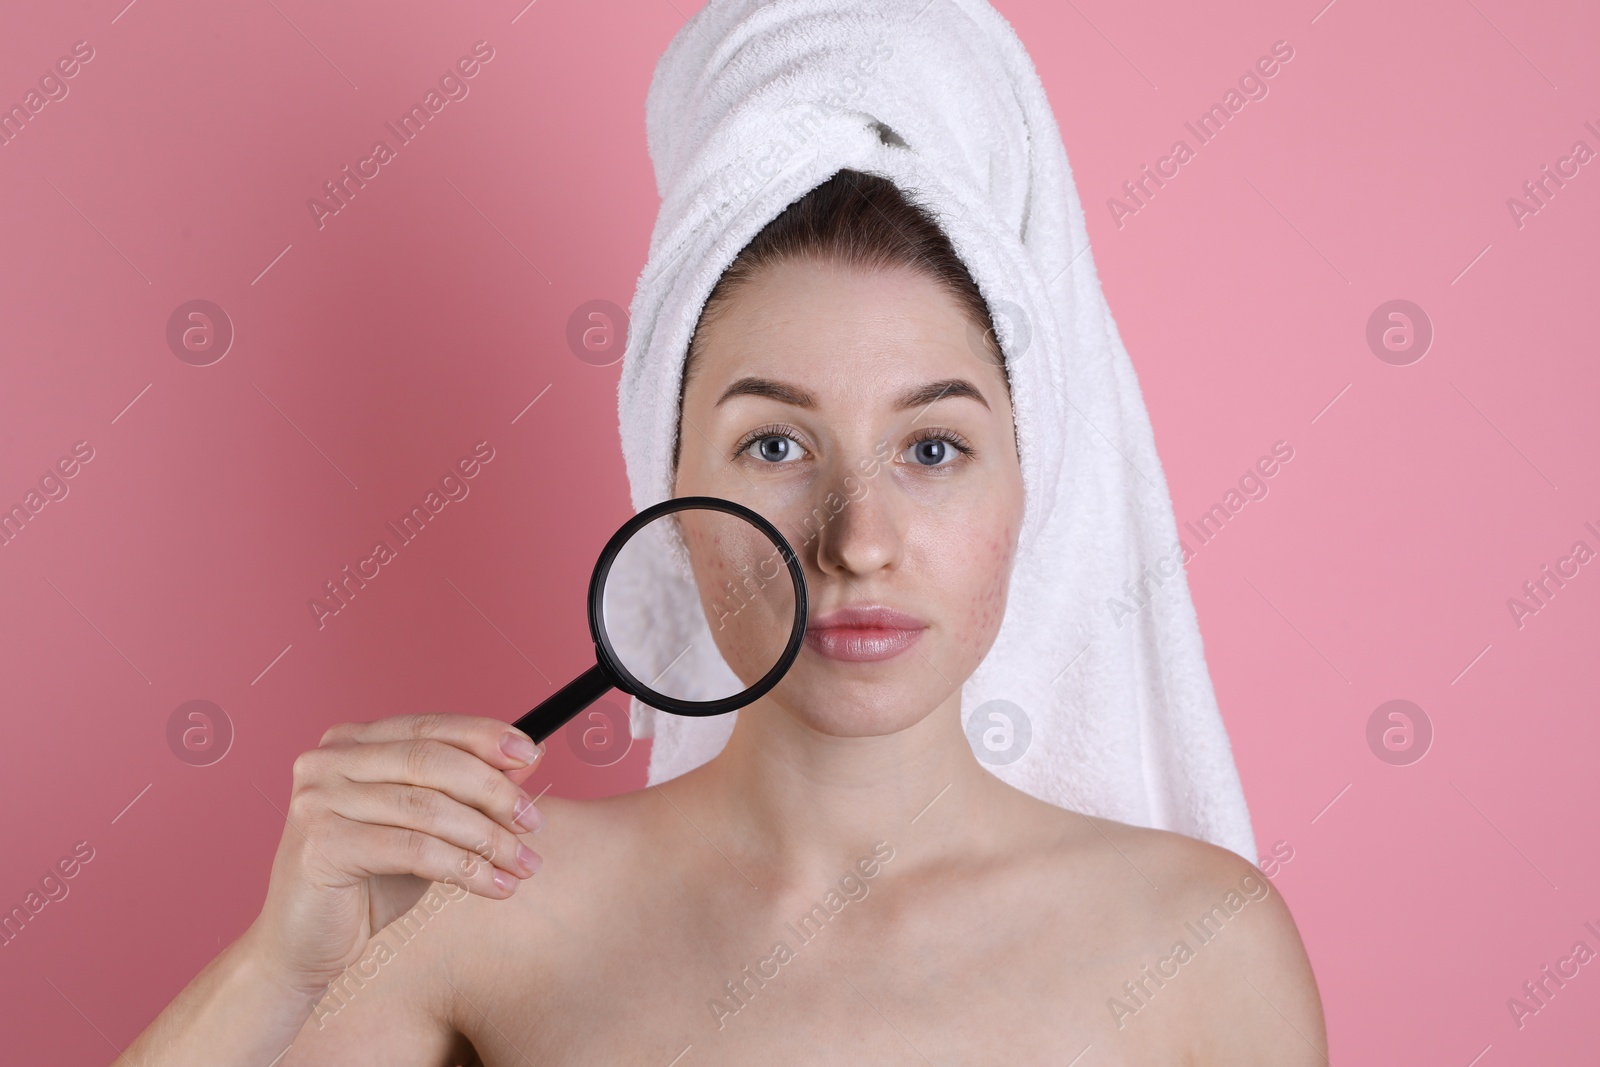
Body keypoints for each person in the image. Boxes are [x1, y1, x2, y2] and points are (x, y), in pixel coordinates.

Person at [124, 168, 1326, 1066]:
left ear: (1028, 488)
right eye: (774, 444)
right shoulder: (477, 906)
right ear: (672, 490)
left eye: (933, 446)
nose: (855, 539)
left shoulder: (1200, 945)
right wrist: (277, 968)